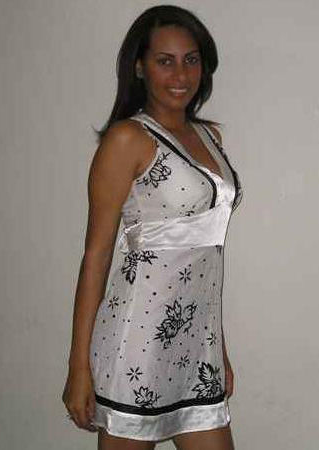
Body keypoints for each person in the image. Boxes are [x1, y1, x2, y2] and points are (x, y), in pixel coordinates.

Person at [62, 5, 243, 449]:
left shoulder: (210, 137)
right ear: (140, 67)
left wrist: (218, 347)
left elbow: (204, 258)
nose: (181, 74)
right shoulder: (127, 140)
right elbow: (96, 257)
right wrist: (79, 368)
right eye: (165, 61)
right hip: (136, 348)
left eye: (191, 59)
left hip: (197, 350)